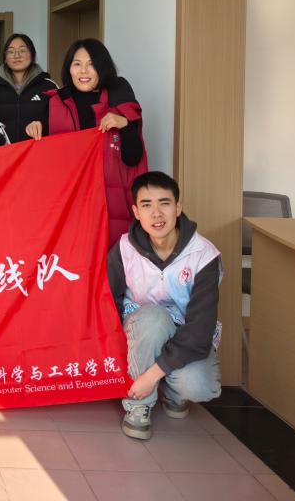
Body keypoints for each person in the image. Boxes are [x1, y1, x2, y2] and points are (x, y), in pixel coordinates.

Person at [108, 171, 221, 440]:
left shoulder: (204, 254)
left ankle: (170, 391)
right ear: (136, 212)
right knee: (154, 318)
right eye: (147, 205)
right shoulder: (124, 249)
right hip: (141, 330)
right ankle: (138, 405)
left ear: (178, 208)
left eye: (165, 203)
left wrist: (150, 377)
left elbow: (200, 330)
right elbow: (108, 302)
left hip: (184, 335)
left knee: (201, 386)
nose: (156, 214)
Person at [25, 38, 148, 247]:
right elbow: (41, 164)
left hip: (112, 205)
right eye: (77, 64)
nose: (83, 71)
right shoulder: (54, 103)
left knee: (111, 263)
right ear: (69, 68)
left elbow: (133, 157)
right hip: (69, 206)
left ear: (102, 67)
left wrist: (125, 125)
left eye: (91, 64)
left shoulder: (119, 100)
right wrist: (33, 129)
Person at [0, 33, 56, 143]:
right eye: (11, 51)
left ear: (32, 55)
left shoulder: (49, 86)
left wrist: (42, 125)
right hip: (4, 152)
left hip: (39, 150)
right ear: (5, 58)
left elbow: (60, 122)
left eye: (22, 50)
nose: (17, 55)